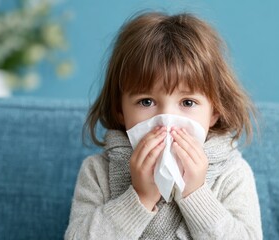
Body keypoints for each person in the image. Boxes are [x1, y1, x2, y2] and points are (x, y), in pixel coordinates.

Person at [65, 11, 262, 239]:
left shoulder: (231, 174)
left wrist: (195, 194)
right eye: (146, 102)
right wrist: (139, 197)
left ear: (215, 111)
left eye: (187, 102)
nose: (166, 120)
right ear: (120, 110)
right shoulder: (98, 172)